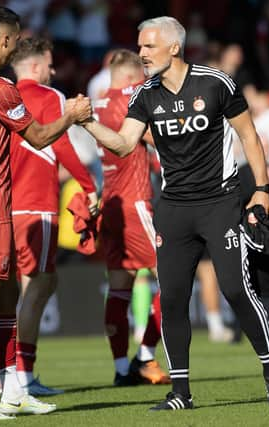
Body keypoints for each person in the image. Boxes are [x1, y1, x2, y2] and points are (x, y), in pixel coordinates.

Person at [81, 16, 269, 410]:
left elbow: (249, 134)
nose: (141, 53)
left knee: (236, 290)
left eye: (148, 46)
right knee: (174, 298)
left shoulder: (216, 83)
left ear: (173, 48)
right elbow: (125, 144)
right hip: (174, 208)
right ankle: (180, 393)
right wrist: (88, 122)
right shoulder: (145, 94)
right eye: (140, 46)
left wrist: (261, 190)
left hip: (219, 203)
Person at [0, 5, 91, 421]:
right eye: (17, 38)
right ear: (5, 41)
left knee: (6, 300)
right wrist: (72, 116)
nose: (17, 45)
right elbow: (40, 137)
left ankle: (12, 392)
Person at [1, 36, 98, 396]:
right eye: (50, 63)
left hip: (4, 206)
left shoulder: (4, 95)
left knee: (10, 289)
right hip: (36, 203)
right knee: (41, 283)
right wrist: (88, 185)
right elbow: (62, 145)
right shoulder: (51, 96)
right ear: (37, 66)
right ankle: (21, 375)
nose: (54, 70)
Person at [92, 49, 169, 386]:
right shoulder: (132, 97)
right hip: (135, 202)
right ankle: (147, 356)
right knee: (173, 278)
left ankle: (122, 369)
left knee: (119, 287)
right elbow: (159, 136)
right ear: (129, 77)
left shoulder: (97, 103)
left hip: (109, 201)